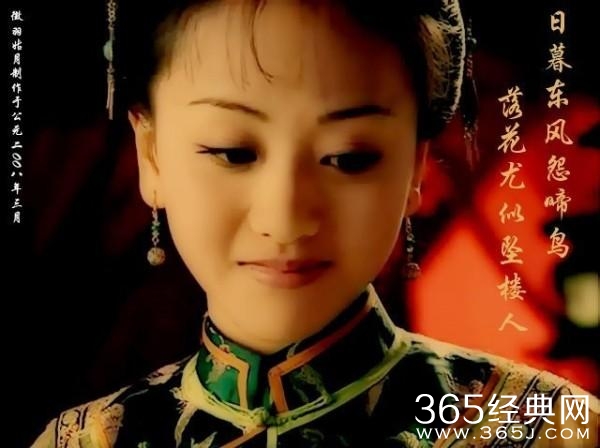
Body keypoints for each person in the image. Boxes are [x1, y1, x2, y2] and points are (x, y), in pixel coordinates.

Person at [32, 0, 598, 446]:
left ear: (414, 167)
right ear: (151, 155)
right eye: (233, 152)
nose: (285, 219)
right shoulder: (87, 440)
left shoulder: (546, 430)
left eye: (349, 158)